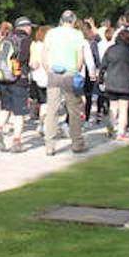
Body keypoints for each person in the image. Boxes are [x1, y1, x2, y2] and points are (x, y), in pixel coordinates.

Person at [41, 10, 88, 155]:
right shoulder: (77, 34)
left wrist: (47, 68)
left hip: (54, 73)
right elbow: (80, 56)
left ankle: (50, 145)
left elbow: (44, 52)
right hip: (69, 73)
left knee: (52, 109)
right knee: (73, 109)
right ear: (73, 21)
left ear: (61, 20)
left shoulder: (52, 33)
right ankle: (77, 143)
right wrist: (77, 70)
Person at [0, 19, 33, 152]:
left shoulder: (6, 39)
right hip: (19, 79)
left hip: (3, 79)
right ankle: (16, 142)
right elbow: (30, 61)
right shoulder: (27, 41)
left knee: (5, 107)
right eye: (30, 27)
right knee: (19, 112)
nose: (31, 29)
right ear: (25, 27)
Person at [101, 29, 129, 140]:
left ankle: (110, 128)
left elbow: (103, 66)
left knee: (113, 107)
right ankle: (121, 132)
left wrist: (100, 80)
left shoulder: (110, 50)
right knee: (124, 109)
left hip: (112, 82)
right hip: (126, 84)